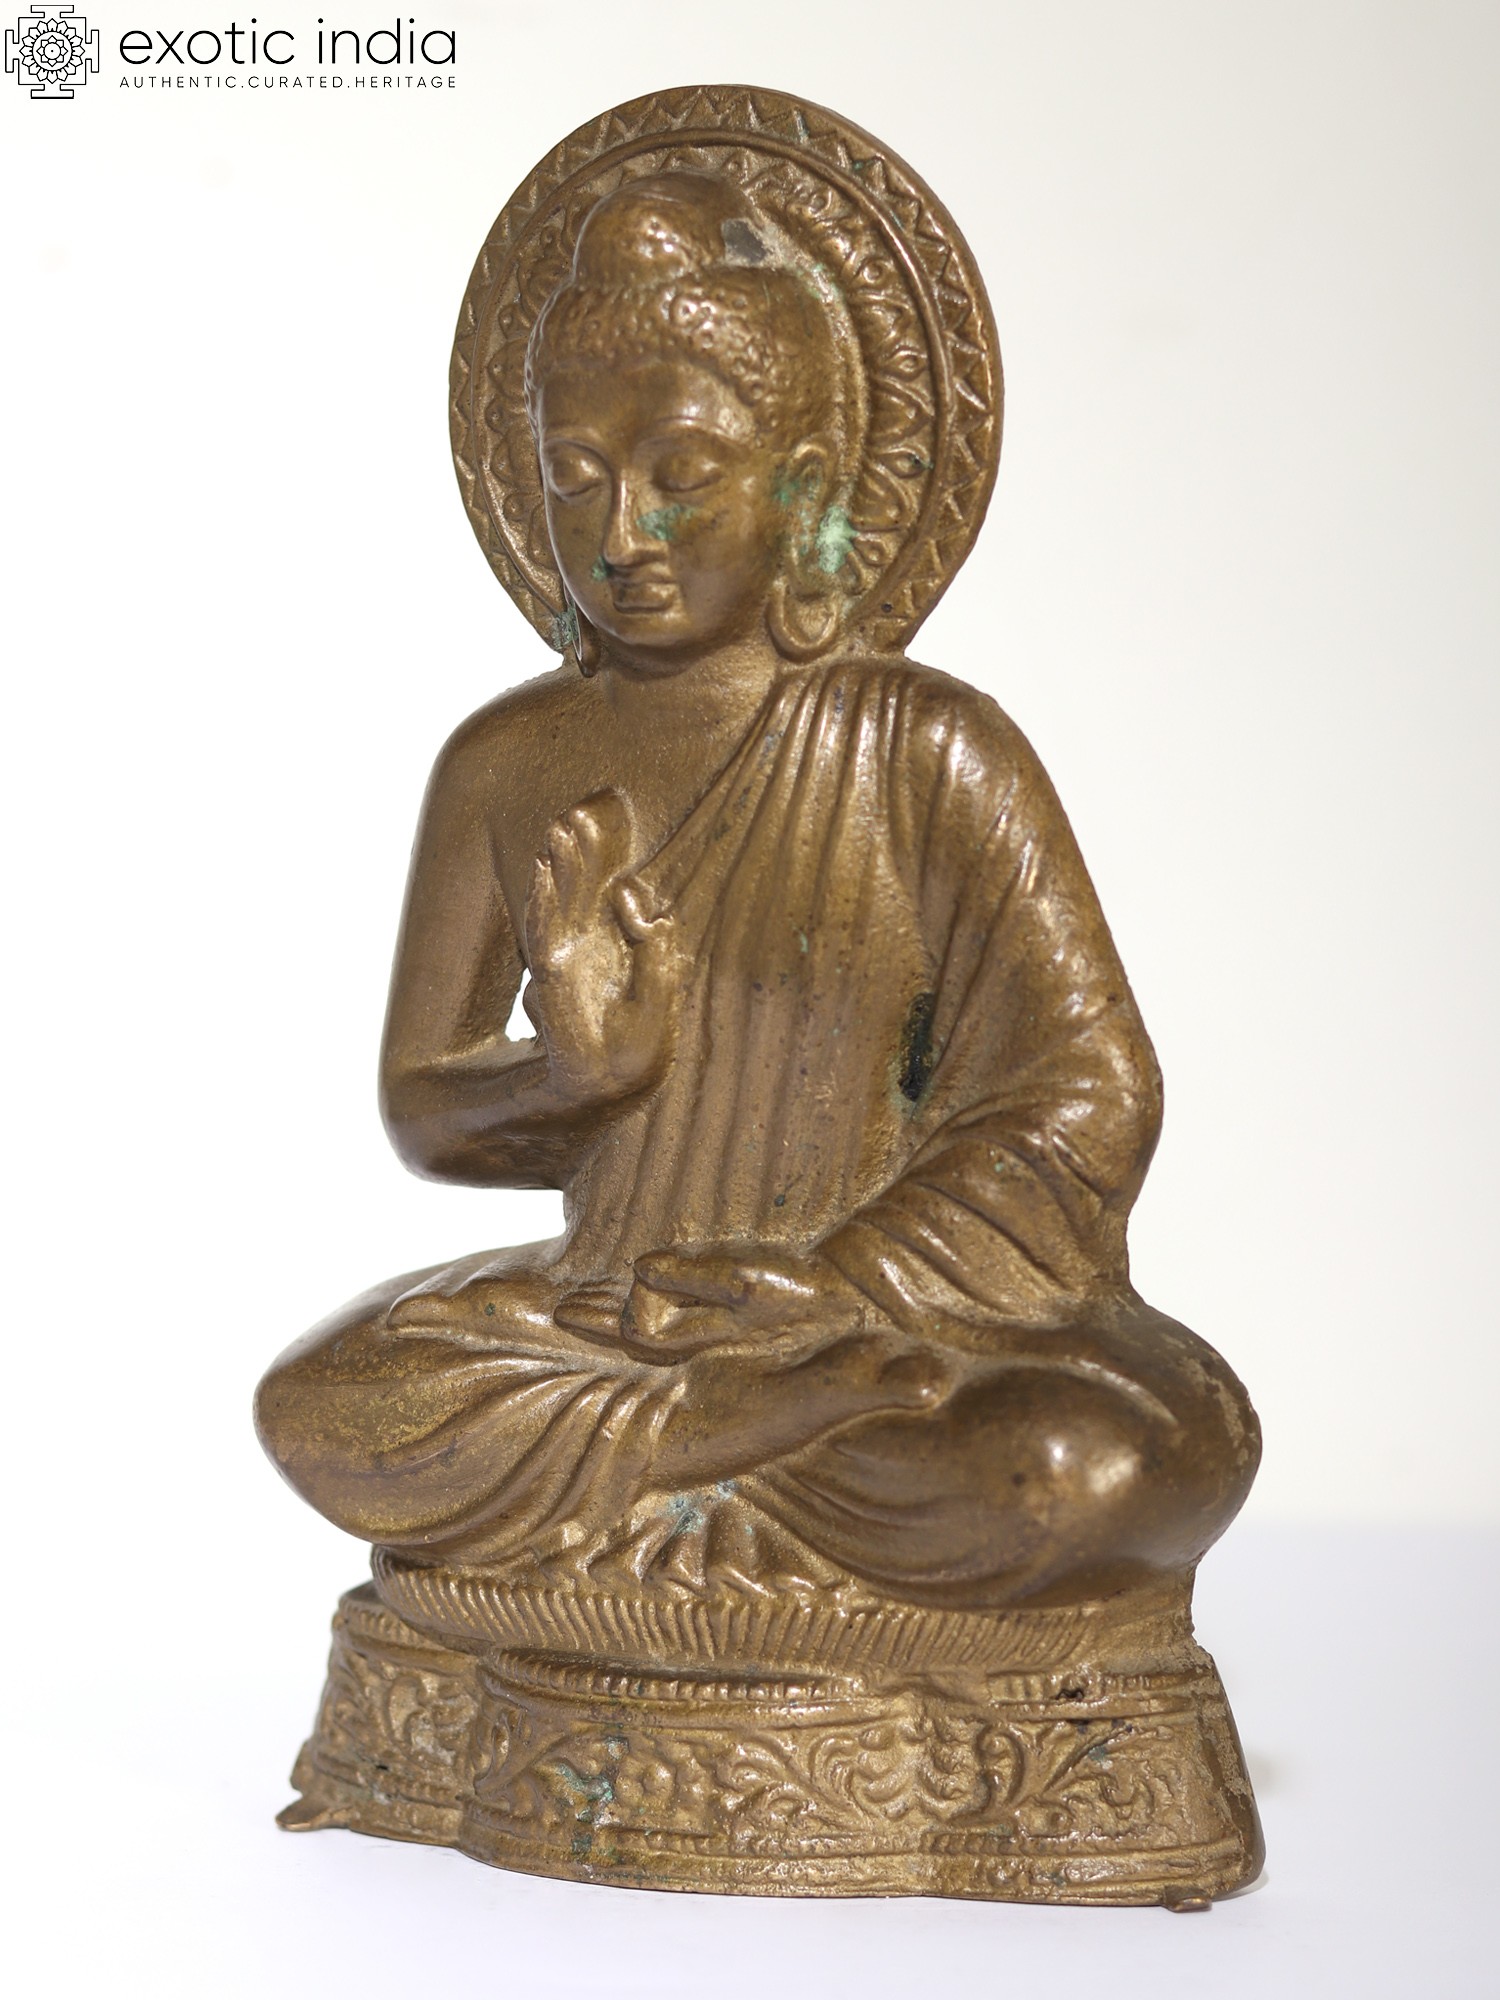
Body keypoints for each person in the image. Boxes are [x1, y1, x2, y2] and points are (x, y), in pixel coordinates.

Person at [255, 172, 1259, 1611]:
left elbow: (1089, 1093)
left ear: (808, 484)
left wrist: (843, 1281)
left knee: (1095, 1462)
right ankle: (710, 1437)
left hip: (889, 1323)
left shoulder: (928, 749)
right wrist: (578, 1077)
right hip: (623, 1315)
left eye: (683, 472)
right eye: (576, 475)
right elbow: (424, 1108)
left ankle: (711, 1449)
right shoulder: (505, 765)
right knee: (331, 1405)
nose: (624, 535)